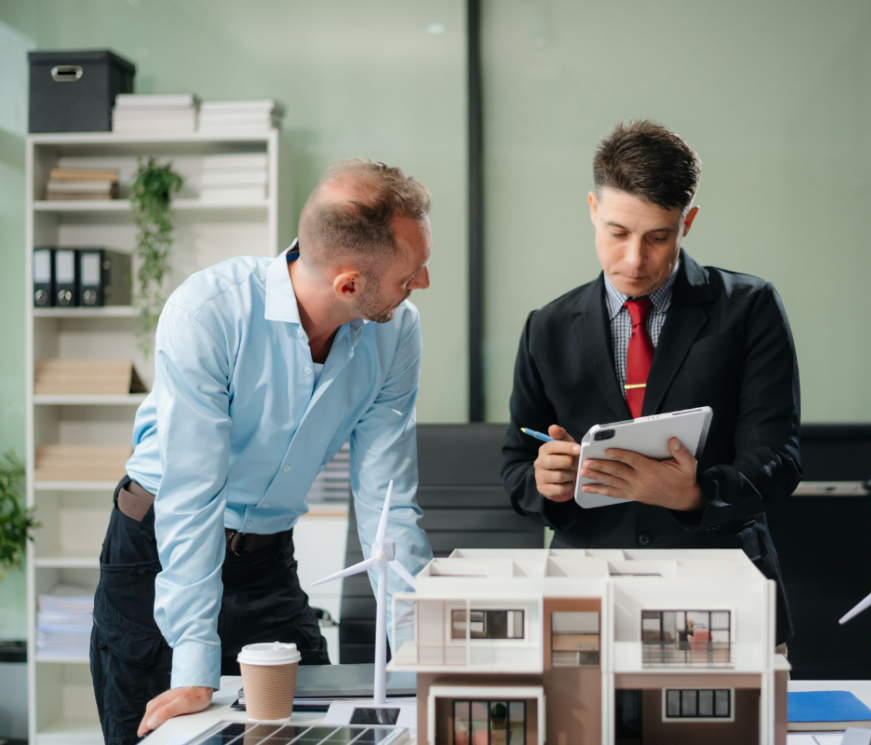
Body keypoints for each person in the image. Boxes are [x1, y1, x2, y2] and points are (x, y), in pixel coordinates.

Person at [89, 159, 435, 744]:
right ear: (348, 284)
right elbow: (193, 494)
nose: (422, 283)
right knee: (164, 735)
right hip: (157, 551)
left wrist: (424, 650)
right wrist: (195, 664)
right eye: (411, 273)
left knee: (324, 731)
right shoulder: (209, 313)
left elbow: (389, 501)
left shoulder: (397, 330)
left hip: (266, 561)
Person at [501, 120, 800, 646]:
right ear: (593, 210)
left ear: (688, 224)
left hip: (721, 584)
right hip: (586, 592)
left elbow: (779, 459)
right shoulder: (545, 327)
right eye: (617, 232)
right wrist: (544, 484)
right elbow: (515, 464)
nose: (635, 259)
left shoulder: (750, 308)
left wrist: (695, 493)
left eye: (658, 237)